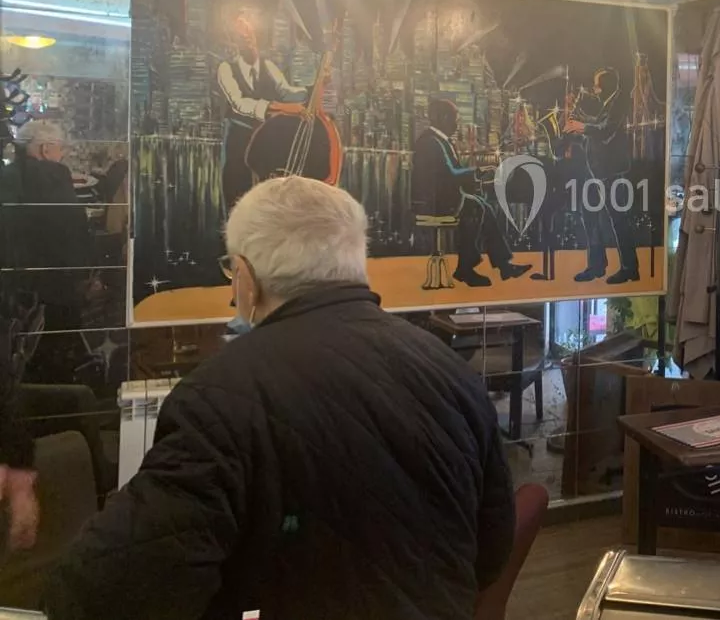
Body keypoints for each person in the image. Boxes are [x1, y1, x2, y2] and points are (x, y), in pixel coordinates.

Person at [45, 176, 515, 620]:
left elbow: (102, 591)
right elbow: (492, 548)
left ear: (245, 278)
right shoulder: (451, 370)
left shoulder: (218, 397)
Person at [410, 98, 531, 288]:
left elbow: (450, 175)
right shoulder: (431, 143)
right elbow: (450, 174)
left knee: (483, 207)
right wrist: (478, 171)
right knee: (476, 208)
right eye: (455, 119)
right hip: (434, 203)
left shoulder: (437, 141)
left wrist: (479, 177)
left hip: (442, 199)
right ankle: (467, 268)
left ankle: (501, 265)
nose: (457, 124)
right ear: (443, 118)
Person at [215, 16, 308, 210]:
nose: (246, 38)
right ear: (234, 41)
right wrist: (280, 107)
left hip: (264, 141)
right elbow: (239, 103)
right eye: (241, 36)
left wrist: (314, 87)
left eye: (249, 33)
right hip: (237, 143)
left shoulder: (268, 66)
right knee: (236, 200)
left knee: (266, 202)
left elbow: (287, 92)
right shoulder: (226, 69)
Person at [565, 68, 639, 284]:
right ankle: (596, 266)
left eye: (597, 85)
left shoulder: (619, 102)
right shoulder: (610, 103)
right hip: (598, 171)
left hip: (611, 171)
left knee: (618, 220)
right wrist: (580, 123)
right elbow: (599, 126)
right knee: (590, 217)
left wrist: (582, 126)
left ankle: (629, 268)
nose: (594, 90)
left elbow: (606, 131)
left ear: (605, 86)